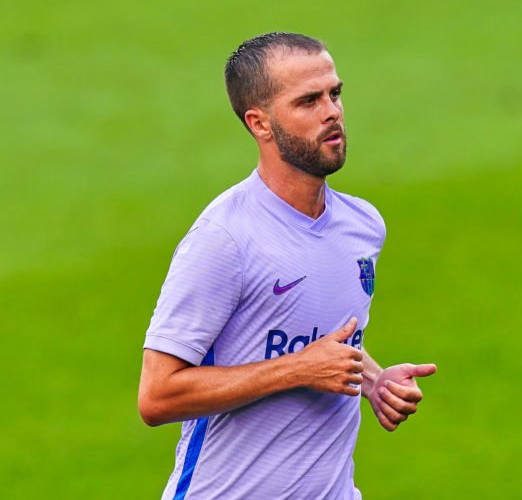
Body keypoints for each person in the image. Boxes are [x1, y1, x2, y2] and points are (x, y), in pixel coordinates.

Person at [138, 32, 437, 500]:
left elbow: (324, 339)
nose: (332, 112)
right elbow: (157, 396)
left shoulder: (362, 226)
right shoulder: (225, 238)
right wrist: (297, 370)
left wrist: (375, 382)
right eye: (308, 101)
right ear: (260, 123)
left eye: (335, 94)